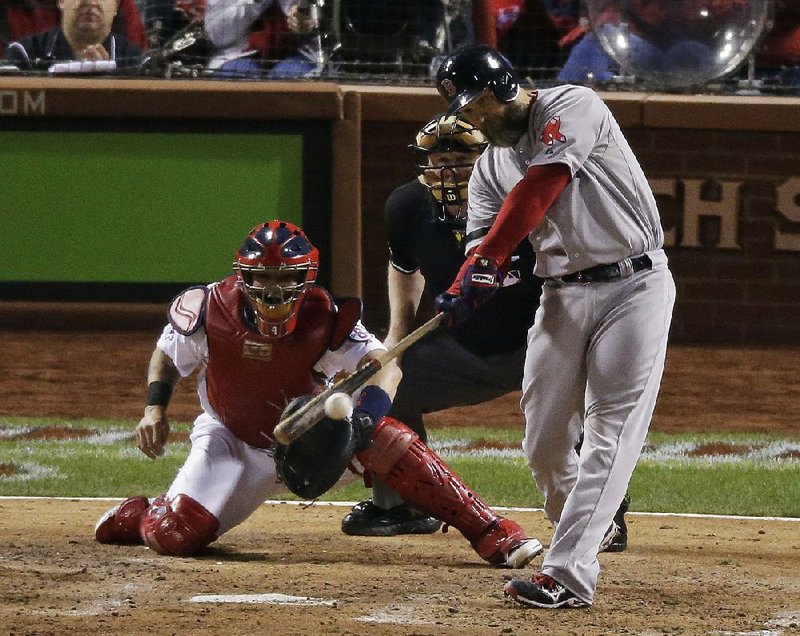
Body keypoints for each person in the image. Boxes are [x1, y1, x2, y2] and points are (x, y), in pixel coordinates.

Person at [94, 219, 543, 569]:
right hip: (231, 439)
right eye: (262, 278)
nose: (272, 290)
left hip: (310, 436)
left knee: (384, 436)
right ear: (242, 276)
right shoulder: (209, 309)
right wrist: (155, 409)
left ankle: (492, 530)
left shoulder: (325, 316)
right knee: (176, 535)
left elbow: (384, 366)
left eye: (284, 278)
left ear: (305, 279)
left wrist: (368, 414)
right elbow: (167, 357)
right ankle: (140, 514)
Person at [434, 46, 675, 608]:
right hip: (562, 296)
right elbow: (482, 242)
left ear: (504, 87)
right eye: (465, 111)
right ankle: (593, 525)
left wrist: (489, 260)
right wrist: (477, 279)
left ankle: (567, 573)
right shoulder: (489, 168)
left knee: (609, 428)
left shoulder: (573, 104)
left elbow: (539, 189)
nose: (473, 118)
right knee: (543, 440)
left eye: (478, 105)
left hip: (634, 287)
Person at [342, 113, 631, 553]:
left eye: (460, 159)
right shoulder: (407, 206)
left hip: (544, 338)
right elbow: (405, 267)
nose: (448, 172)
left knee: (584, 403)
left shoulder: (526, 198)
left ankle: (603, 514)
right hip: (465, 349)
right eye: (438, 161)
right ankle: (402, 504)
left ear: (487, 159)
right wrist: (395, 340)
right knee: (388, 381)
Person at [3, 0, 142, 71]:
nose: (91, 2)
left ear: (116, 6)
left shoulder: (137, 61)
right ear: (61, 1)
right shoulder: (23, 54)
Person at [205, 0, 321, 78]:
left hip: (297, 54)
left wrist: (302, 18)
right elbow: (217, 35)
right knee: (238, 77)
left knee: (292, 80)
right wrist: (255, 3)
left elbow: (302, 10)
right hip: (238, 55)